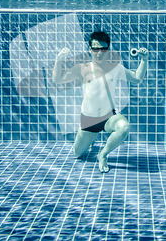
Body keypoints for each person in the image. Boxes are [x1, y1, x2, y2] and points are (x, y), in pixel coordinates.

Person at [52, 31, 148, 173]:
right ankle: (91, 139)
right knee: (77, 154)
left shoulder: (115, 67)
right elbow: (57, 79)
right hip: (88, 120)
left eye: (103, 49)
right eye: (95, 49)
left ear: (108, 50)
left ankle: (102, 154)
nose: (99, 53)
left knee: (124, 127)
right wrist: (59, 59)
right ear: (90, 49)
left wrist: (144, 60)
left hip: (109, 117)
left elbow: (137, 78)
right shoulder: (83, 69)